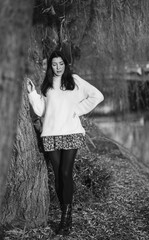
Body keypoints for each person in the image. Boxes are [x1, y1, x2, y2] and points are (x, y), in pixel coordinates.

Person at [26, 50, 104, 236]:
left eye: (61, 64)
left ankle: (65, 218)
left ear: (65, 64)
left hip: (71, 133)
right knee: (58, 177)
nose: (58, 67)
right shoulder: (47, 85)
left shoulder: (74, 81)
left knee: (65, 173)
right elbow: (40, 110)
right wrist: (32, 94)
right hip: (51, 135)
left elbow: (97, 96)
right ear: (50, 66)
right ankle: (66, 214)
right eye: (54, 64)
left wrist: (77, 109)